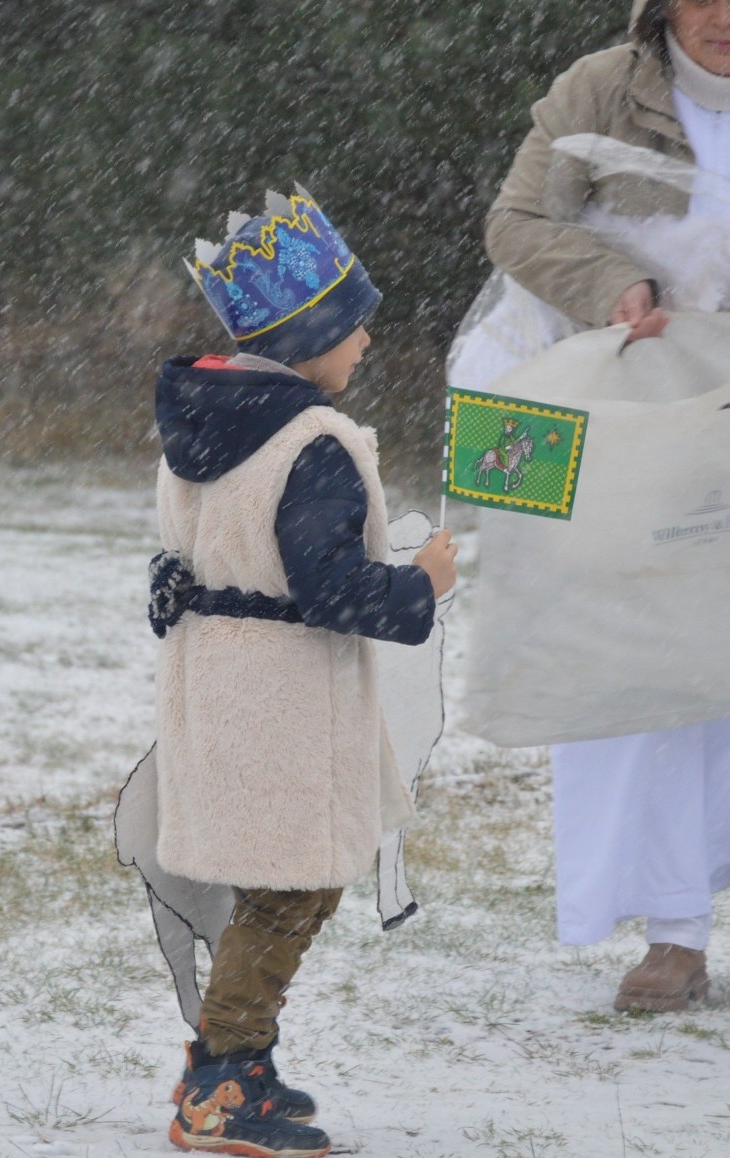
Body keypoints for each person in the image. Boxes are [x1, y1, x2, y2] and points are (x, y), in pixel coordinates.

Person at [151, 186, 457, 1157]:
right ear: (306, 336)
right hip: (284, 697)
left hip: (222, 687)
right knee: (293, 887)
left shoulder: (208, 425)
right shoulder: (311, 442)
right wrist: (421, 586)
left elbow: (188, 557)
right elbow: (328, 588)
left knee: (290, 882)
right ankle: (223, 1081)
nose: (365, 343)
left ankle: (238, 1059)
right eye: (353, 325)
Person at [455, 0, 730, 1013]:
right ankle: (673, 933)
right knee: (655, 664)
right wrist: (615, 279)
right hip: (649, 426)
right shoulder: (600, 90)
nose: (725, 16)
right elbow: (516, 222)